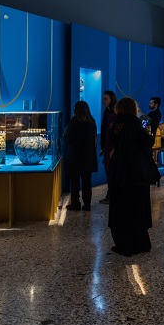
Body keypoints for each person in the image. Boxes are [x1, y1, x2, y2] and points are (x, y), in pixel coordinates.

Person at [107, 97, 154, 257]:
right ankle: (140, 242)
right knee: (137, 205)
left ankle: (123, 243)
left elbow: (113, 142)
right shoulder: (136, 124)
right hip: (136, 170)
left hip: (119, 168)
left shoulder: (115, 125)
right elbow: (148, 141)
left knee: (121, 206)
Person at [63, 100, 98, 211]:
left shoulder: (75, 121)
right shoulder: (92, 122)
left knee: (74, 182)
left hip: (75, 156)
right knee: (87, 182)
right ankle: (87, 204)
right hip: (89, 157)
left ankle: (75, 203)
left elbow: (66, 137)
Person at [99, 90, 118, 204]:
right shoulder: (107, 112)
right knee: (109, 172)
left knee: (111, 172)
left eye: (106, 99)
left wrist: (113, 148)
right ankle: (111, 195)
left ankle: (111, 196)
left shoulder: (114, 113)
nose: (103, 101)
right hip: (107, 147)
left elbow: (115, 133)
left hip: (111, 148)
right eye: (103, 99)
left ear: (112, 99)